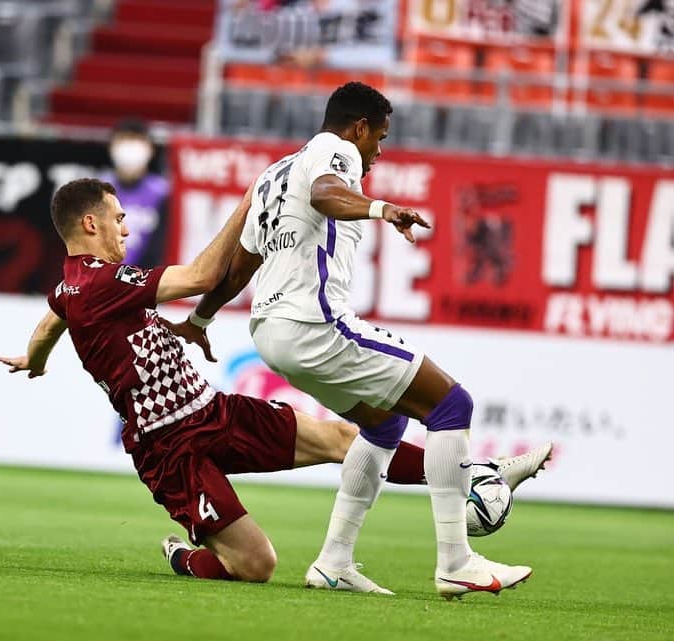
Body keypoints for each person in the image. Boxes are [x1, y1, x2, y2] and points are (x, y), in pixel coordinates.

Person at [0, 177, 550, 587]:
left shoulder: (73, 288)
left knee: (345, 440)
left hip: (212, 411)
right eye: (118, 218)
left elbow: (54, 317)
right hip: (168, 447)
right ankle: (184, 555)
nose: (125, 226)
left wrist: (36, 357)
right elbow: (201, 277)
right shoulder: (100, 283)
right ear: (90, 225)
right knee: (256, 566)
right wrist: (251, 200)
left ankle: (476, 474)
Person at [169, 81, 535, 599]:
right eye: (378, 139)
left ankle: (335, 561)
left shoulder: (273, 176)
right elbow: (325, 194)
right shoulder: (334, 152)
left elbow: (237, 268)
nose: (377, 153)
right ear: (358, 128)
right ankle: (457, 561)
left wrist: (200, 321)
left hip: (272, 332)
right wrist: (385, 209)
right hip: (315, 324)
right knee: (452, 402)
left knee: (383, 423)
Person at [104, 118, 169, 269]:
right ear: (111, 146)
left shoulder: (163, 193)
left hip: (146, 282)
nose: (130, 148)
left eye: (136, 140)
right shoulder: (95, 191)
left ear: (150, 149)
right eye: (124, 140)